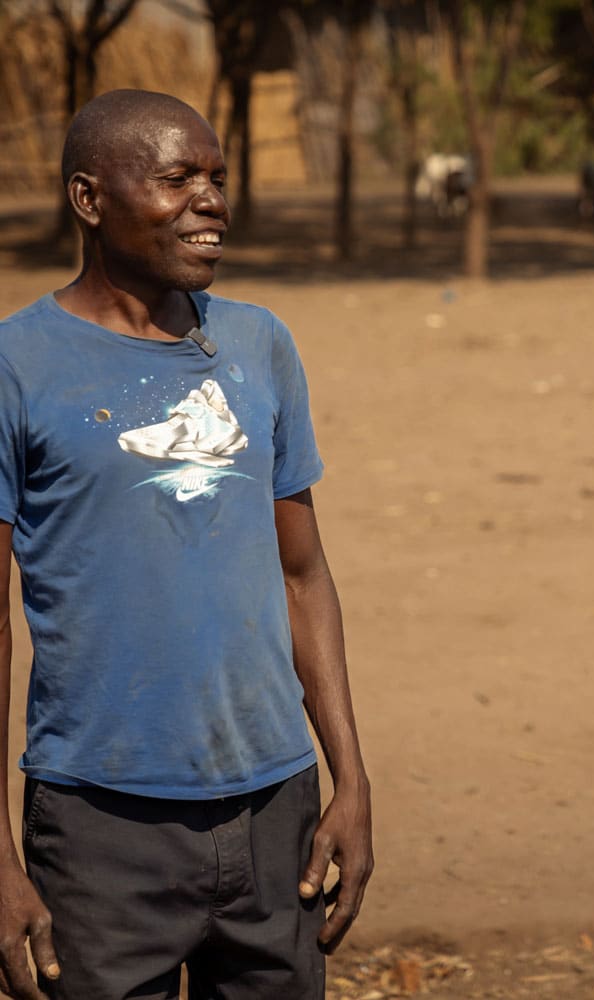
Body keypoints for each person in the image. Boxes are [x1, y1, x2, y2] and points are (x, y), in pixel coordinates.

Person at [0, 89, 373, 999]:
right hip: (99, 827)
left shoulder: (259, 344)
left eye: (217, 178)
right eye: (177, 179)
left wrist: (351, 780)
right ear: (90, 199)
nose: (212, 202)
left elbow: (303, 573)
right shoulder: (18, 365)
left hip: (274, 810)